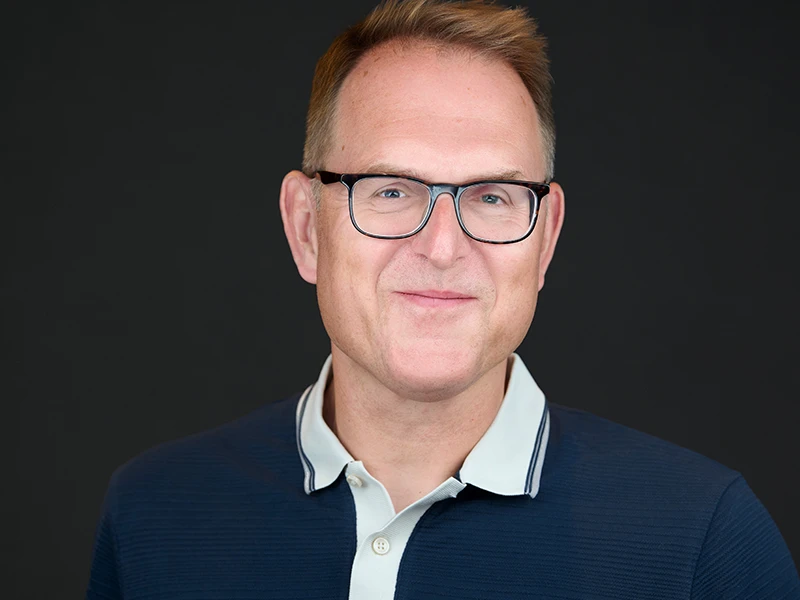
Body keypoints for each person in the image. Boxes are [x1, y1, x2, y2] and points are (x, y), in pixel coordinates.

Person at [85, 1, 799, 598]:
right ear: (306, 228)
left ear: (544, 239)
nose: (443, 247)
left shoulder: (703, 544)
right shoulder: (153, 517)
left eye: (491, 196)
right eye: (392, 190)